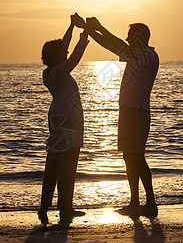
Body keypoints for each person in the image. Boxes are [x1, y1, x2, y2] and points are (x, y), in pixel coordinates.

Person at [83, 17, 159, 219]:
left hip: (138, 111)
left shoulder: (148, 56)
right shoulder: (135, 55)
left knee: (137, 157)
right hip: (128, 111)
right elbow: (113, 45)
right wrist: (90, 30)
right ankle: (135, 202)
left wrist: (98, 28)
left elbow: (116, 44)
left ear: (139, 38)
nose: (127, 38)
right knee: (129, 157)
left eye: (130, 35)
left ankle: (150, 202)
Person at [38, 13, 89, 226]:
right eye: (63, 52)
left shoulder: (51, 71)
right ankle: (65, 208)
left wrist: (70, 27)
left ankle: (45, 207)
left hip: (58, 120)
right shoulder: (60, 70)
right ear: (59, 56)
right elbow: (74, 55)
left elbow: (63, 47)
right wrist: (85, 34)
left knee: (53, 164)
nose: (66, 52)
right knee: (67, 165)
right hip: (68, 122)